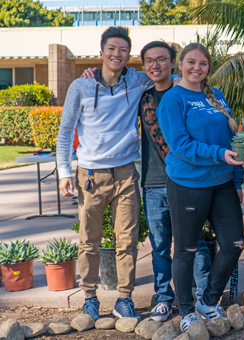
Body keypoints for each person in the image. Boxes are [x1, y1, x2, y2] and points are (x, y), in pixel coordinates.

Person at [56, 26, 154, 321]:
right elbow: (65, 132)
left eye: (123, 50)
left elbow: (172, 76)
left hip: (125, 173)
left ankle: (125, 298)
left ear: (128, 55)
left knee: (127, 239)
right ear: (101, 53)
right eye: (111, 49)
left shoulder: (138, 80)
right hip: (90, 174)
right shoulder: (81, 86)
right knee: (89, 240)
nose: (117, 54)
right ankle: (89, 297)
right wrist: (64, 171)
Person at [156, 43, 244, 332]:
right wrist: (218, 155)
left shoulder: (215, 95)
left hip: (222, 184)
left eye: (203, 64)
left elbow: (233, 140)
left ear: (209, 67)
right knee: (187, 249)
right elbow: (179, 145)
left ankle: (208, 300)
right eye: (191, 62)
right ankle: (185, 310)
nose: (197, 68)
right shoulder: (172, 100)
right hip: (187, 185)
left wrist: (237, 178)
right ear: (180, 64)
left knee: (234, 244)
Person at [136, 41, 212, 322]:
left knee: (194, 241)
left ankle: (204, 297)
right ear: (144, 67)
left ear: (173, 63)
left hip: (187, 181)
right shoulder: (143, 97)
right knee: (159, 244)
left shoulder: (189, 93)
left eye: (161, 59)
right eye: (149, 61)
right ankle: (164, 298)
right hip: (154, 181)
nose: (155, 65)